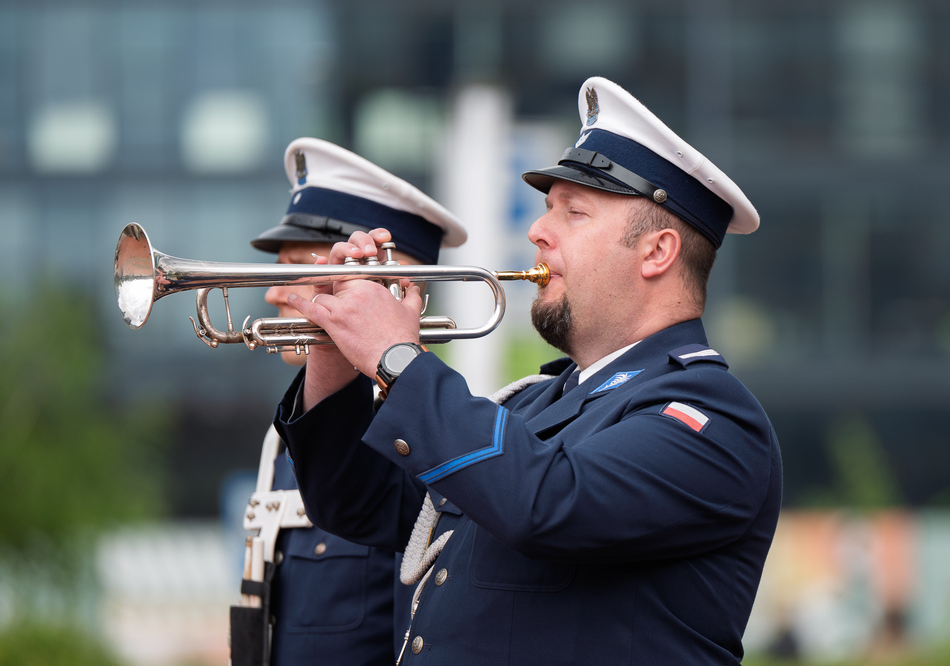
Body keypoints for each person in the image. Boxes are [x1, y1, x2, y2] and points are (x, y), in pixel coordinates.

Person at [273, 77, 783, 664]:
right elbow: (358, 504)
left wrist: (397, 359)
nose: (538, 231)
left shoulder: (712, 419)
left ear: (657, 252)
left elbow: (549, 502)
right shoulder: (530, 407)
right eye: (547, 210)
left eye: (575, 213)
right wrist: (337, 353)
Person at [235, 137, 466, 666]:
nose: (273, 293)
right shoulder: (289, 435)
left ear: (381, 275)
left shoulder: (435, 433)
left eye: (295, 268)